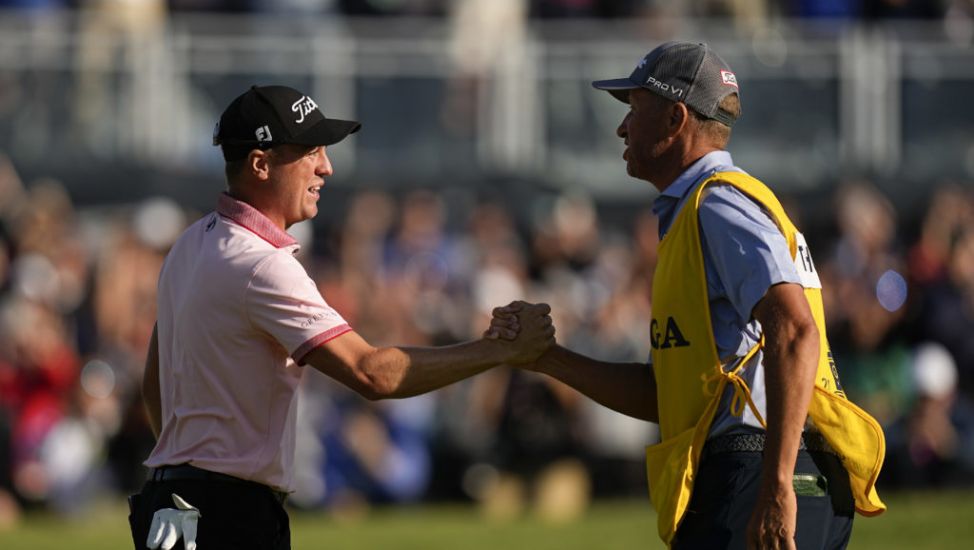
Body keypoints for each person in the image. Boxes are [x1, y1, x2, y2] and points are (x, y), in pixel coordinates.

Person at [490, 41, 886, 549]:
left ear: (676, 118)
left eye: (634, 109)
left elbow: (794, 329)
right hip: (766, 466)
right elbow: (670, 397)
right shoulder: (702, 210)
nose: (622, 128)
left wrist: (776, 484)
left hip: (761, 467)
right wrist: (547, 359)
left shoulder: (717, 203)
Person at [127, 84, 555, 550]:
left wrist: (187, 466)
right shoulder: (262, 264)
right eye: (310, 151)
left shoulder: (192, 242)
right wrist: (497, 349)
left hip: (171, 502)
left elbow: (157, 383)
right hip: (227, 513)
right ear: (260, 163)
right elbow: (371, 374)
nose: (326, 167)